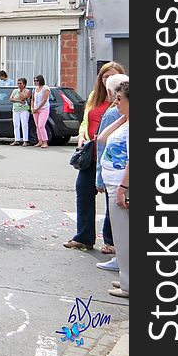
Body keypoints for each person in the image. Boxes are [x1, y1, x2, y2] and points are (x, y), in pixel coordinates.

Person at [64, 62, 125, 252]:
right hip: (91, 152)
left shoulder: (122, 100)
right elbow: (86, 120)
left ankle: (111, 240)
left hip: (111, 156)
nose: (108, 80)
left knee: (112, 197)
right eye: (104, 77)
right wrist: (82, 135)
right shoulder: (95, 97)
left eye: (112, 76)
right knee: (83, 191)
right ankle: (84, 237)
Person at [97, 80, 129, 298]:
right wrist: (124, 116)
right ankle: (127, 278)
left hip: (121, 183)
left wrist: (123, 187)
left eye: (119, 99)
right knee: (121, 235)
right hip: (114, 182)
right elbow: (102, 137)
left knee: (125, 236)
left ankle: (129, 284)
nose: (115, 103)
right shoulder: (126, 122)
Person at [8, 78, 32, 146]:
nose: (19, 85)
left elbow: (23, 98)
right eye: (18, 83)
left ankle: (25, 140)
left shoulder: (26, 91)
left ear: (24, 84)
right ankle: (17, 139)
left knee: (24, 124)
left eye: (20, 83)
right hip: (16, 109)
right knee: (16, 124)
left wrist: (20, 92)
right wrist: (18, 100)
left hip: (24, 109)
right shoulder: (15, 90)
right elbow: (11, 99)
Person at [30, 74, 51, 148]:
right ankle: (40, 141)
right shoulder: (34, 89)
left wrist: (38, 108)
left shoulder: (46, 88)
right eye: (34, 81)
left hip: (43, 109)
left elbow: (44, 100)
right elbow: (32, 99)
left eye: (37, 80)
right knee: (37, 126)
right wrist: (32, 108)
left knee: (41, 125)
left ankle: (45, 141)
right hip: (35, 109)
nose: (35, 82)